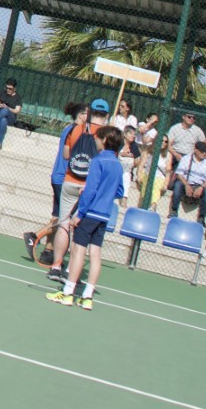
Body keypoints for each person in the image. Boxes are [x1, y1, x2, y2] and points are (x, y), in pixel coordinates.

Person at [46, 125, 126, 310]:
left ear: (104, 140)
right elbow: (119, 191)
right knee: (95, 254)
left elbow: (91, 191)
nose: (95, 141)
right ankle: (87, 296)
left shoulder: (98, 161)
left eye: (98, 138)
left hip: (89, 213)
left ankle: (68, 293)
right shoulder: (117, 164)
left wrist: (79, 214)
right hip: (104, 215)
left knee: (77, 251)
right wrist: (103, 194)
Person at [45, 99, 110, 280]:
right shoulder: (107, 134)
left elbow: (66, 154)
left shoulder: (76, 129)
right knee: (79, 230)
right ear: (106, 115)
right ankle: (70, 271)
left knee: (63, 224)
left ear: (90, 112)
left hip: (70, 180)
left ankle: (56, 266)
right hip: (89, 186)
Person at [23, 101, 88, 269]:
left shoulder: (69, 129)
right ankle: (34, 237)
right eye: (87, 114)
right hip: (64, 178)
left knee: (57, 215)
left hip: (58, 176)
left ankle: (48, 251)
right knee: (63, 218)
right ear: (81, 115)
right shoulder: (77, 131)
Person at [170, 141, 206, 222]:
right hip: (186, 183)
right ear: (196, 150)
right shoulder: (186, 159)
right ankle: (174, 211)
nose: (204, 153)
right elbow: (179, 174)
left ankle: (201, 218)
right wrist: (186, 185)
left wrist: (201, 187)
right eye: (202, 151)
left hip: (200, 186)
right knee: (178, 185)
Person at [0, 78, 22, 150]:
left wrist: (8, 108)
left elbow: (17, 110)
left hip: (10, 118)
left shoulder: (18, 97)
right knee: (3, 120)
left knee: (5, 110)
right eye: (6, 88)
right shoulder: (1, 92)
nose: (8, 90)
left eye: (10, 89)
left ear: (15, 88)